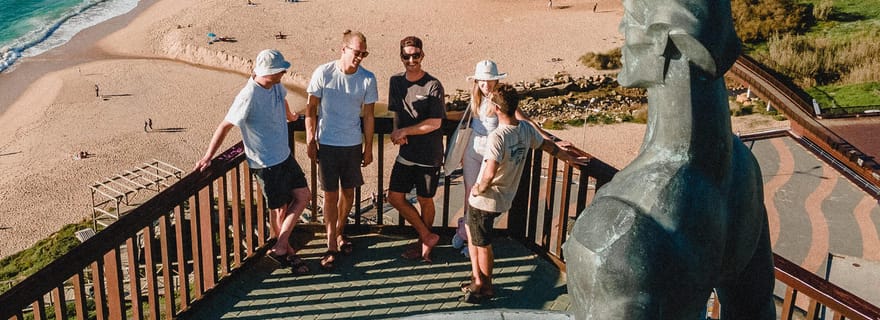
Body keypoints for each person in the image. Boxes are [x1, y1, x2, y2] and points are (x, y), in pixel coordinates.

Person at [461, 83, 582, 303]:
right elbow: (547, 146)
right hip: (504, 196)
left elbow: (489, 172)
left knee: (481, 243)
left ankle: (484, 286)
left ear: (497, 108)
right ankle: (479, 282)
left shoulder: (498, 137)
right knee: (481, 238)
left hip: (485, 200)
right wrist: (567, 157)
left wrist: (478, 189)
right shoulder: (524, 130)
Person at [195, 49, 311, 274]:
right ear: (268, 72)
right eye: (280, 70)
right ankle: (288, 252)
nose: (284, 72)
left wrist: (291, 118)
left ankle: (280, 247)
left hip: (284, 155)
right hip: (265, 161)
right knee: (279, 210)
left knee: (303, 195)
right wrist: (208, 156)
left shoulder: (276, 85)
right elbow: (225, 125)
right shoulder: (248, 95)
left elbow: (283, 101)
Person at [453, 60, 570, 227]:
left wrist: (551, 140)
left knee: (486, 196)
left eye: (489, 80)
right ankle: (465, 233)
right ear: (476, 81)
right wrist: (442, 115)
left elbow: (526, 121)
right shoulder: (476, 98)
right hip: (472, 149)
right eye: (482, 80)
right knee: (470, 193)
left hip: (493, 151)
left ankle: (476, 235)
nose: (485, 84)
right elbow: (466, 116)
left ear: (496, 80)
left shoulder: (502, 99)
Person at [305, 30, 378, 270]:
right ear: (343, 49)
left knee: (348, 194)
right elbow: (311, 108)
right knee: (330, 195)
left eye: (363, 53)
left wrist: (368, 148)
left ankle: (339, 231)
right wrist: (310, 139)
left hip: (352, 144)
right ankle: (330, 244)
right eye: (357, 52)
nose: (360, 57)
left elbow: (369, 115)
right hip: (327, 143)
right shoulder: (323, 72)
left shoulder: (367, 78)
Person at [387, 36, 443, 262]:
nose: (411, 60)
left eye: (415, 55)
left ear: (422, 55)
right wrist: (396, 132)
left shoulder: (433, 85)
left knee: (425, 199)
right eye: (406, 56)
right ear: (401, 57)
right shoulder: (396, 81)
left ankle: (424, 244)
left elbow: (435, 123)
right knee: (394, 197)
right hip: (407, 153)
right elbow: (395, 112)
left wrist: (405, 132)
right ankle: (427, 235)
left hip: (429, 154)